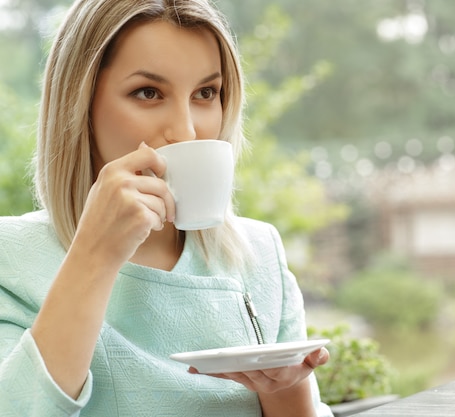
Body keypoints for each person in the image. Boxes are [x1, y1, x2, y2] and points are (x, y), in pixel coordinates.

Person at [0, 1, 333, 416]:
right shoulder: (10, 258)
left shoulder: (260, 251)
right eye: (149, 93)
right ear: (80, 107)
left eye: (206, 93)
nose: (186, 130)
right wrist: (95, 256)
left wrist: (283, 388)